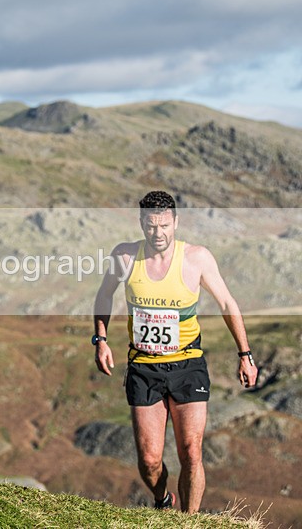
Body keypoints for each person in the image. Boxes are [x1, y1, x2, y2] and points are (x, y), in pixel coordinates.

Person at [92, 190, 258, 513]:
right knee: (150, 460)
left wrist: (245, 354)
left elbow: (227, 303)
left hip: (187, 364)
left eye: (165, 225)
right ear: (141, 224)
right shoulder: (125, 257)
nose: (158, 233)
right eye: (152, 226)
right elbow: (103, 296)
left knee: (191, 452)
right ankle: (162, 500)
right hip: (144, 366)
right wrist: (100, 339)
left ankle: (189, 521)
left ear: (176, 223)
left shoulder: (196, 258)